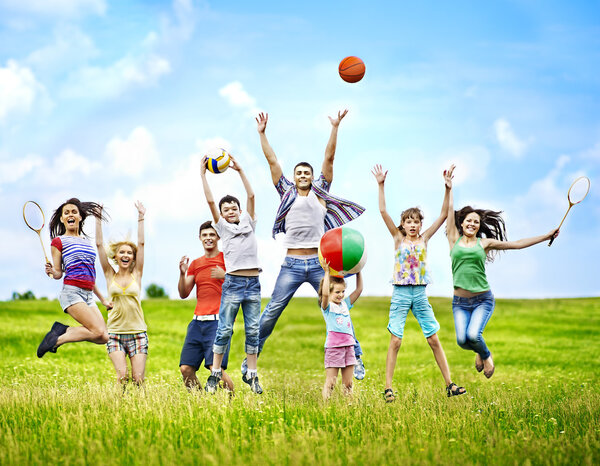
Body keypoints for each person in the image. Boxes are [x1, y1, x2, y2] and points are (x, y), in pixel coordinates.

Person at [246, 110, 367, 380]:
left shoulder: (320, 193)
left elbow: (329, 158)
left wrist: (335, 127)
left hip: (320, 264)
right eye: (299, 172)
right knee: (272, 310)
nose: (303, 175)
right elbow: (271, 160)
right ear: (294, 176)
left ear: (313, 177)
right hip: (291, 263)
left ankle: (356, 358)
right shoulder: (286, 192)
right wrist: (262, 133)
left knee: (339, 309)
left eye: (307, 173)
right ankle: (252, 355)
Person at [446, 172, 559, 378]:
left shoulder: (485, 243)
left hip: (482, 299)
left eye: (476, 222)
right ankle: (479, 351)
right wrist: (449, 187)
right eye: (469, 221)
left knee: (473, 334)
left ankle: (486, 355)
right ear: (461, 223)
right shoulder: (454, 239)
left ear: (479, 226)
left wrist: (546, 236)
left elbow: (516, 244)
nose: (472, 224)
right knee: (462, 341)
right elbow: (447, 211)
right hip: (459, 302)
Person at [373, 164, 466, 402]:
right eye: (408, 221)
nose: (412, 225)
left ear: (420, 225)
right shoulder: (397, 238)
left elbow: (444, 214)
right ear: (402, 224)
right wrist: (381, 184)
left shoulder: (424, 239)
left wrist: (447, 188)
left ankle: (450, 384)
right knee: (396, 340)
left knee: (433, 338)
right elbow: (383, 211)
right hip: (401, 293)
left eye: (416, 222)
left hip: (420, 294)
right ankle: (388, 388)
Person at [200, 154, 263, 394]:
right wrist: (202, 174)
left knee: (253, 330)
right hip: (234, 283)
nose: (231, 211)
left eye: (233, 208)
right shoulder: (222, 228)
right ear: (222, 215)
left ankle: (253, 374)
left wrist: (240, 170)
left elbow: (252, 196)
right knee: (225, 328)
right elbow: (209, 201)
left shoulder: (248, 221)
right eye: (226, 209)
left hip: (253, 283)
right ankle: (215, 373)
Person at [37, 198, 111, 358]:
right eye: (66, 213)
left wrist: (103, 300)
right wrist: (51, 271)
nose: (70, 215)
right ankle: (56, 340)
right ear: (63, 219)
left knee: (104, 336)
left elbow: (91, 275)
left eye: (74, 212)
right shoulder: (58, 241)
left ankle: (61, 331)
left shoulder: (86, 242)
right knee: (97, 331)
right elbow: (58, 273)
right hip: (72, 293)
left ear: (80, 217)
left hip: (88, 294)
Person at [95, 201, 149, 386]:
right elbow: (99, 245)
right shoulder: (110, 274)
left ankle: (140, 410)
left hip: (138, 333)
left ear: (133, 257)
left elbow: (141, 244)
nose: (125, 255)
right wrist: (98, 218)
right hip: (115, 333)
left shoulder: (137, 274)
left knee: (138, 379)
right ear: (116, 257)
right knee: (122, 377)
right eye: (121, 252)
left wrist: (141, 217)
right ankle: (118, 408)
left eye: (129, 253)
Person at [177, 221, 234, 393]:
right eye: (205, 235)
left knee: (214, 368)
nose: (208, 238)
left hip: (219, 322)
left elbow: (242, 285)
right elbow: (183, 293)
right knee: (185, 369)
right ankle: (200, 404)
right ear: (200, 238)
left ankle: (231, 405)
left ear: (218, 237)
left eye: (212, 235)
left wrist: (225, 275)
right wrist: (182, 273)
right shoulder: (195, 263)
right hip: (197, 323)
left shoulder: (228, 259)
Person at [319, 266, 363, 401]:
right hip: (334, 348)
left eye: (343, 291)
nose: (341, 295)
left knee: (348, 383)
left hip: (349, 347)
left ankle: (348, 407)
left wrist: (358, 270)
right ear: (330, 292)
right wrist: (327, 273)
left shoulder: (345, 304)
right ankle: (325, 407)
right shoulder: (327, 307)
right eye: (337, 292)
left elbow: (359, 290)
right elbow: (325, 294)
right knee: (331, 383)